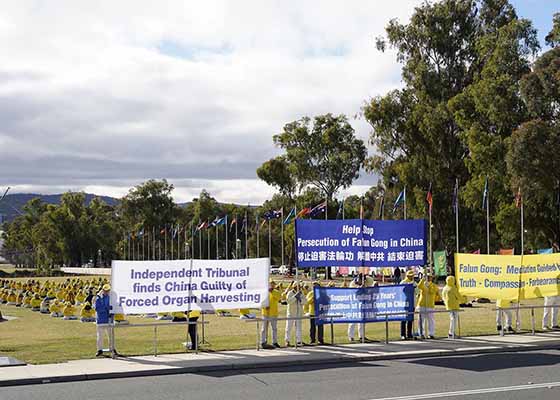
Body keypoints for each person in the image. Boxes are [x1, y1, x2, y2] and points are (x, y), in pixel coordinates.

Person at [94, 284, 118, 357]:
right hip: (101, 319)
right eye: (106, 290)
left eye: (108, 290)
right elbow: (97, 308)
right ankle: (99, 350)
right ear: (103, 290)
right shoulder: (98, 298)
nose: (107, 292)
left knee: (111, 335)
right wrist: (107, 309)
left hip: (109, 319)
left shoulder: (111, 297)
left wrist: (111, 311)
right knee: (100, 336)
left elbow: (113, 306)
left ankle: (112, 348)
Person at [417, 274, 439, 339]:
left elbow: (432, 291)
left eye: (430, 277)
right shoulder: (423, 284)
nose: (429, 278)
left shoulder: (434, 286)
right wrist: (423, 279)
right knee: (421, 321)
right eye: (427, 277)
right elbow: (419, 286)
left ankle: (431, 334)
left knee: (431, 320)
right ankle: (421, 333)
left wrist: (429, 286)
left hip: (430, 305)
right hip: (422, 305)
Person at [261, 280, 281, 349]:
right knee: (264, 328)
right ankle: (263, 341)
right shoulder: (264, 292)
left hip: (273, 313)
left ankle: (274, 342)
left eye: (273, 284)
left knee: (274, 328)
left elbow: (279, 298)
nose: (272, 285)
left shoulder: (276, 292)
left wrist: (272, 292)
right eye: (271, 284)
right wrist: (264, 306)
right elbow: (261, 301)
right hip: (265, 313)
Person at [284, 281, 304, 346]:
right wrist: (295, 297)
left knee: (299, 327)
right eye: (298, 286)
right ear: (294, 286)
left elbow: (305, 301)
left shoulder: (301, 293)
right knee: (288, 327)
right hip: (291, 313)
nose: (299, 287)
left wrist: (300, 299)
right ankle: (287, 341)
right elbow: (288, 301)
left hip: (298, 312)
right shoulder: (290, 293)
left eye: (300, 286)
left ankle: (298, 341)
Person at [348, 274, 366, 342]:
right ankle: (351, 337)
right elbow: (354, 292)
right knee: (353, 321)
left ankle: (361, 336)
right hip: (354, 305)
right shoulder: (352, 283)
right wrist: (360, 288)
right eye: (361, 280)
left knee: (362, 321)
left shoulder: (363, 283)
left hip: (361, 304)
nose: (362, 281)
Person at [400, 270, 417, 340]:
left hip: (412, 303)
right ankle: (403, 334)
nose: (412, 277)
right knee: (403, 319)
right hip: (405, 303)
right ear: (407, 276)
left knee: (410, 319)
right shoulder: (403, 282)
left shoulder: (414, 283)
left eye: (412, 276)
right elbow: (400, 292)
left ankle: (409, 334)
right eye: (410, 276)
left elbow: (417, 292)